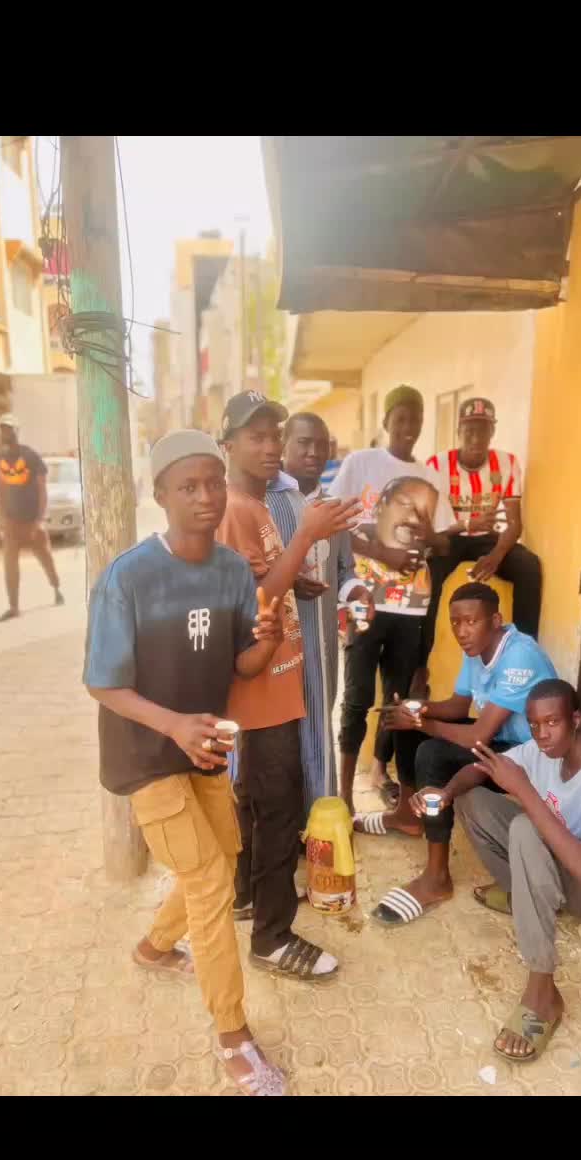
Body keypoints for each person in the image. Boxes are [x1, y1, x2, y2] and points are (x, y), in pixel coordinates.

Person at [83, 428, 288, 1096]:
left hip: (205, 747)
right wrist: (171, 723)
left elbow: (241, 663)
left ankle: (153, 947)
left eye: (213, 482)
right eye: (188, 486)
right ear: (161, 495)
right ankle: (232, 1034)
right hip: (147, 753)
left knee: (222, 854)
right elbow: (102, 683)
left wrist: (267, 641)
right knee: (209, 882)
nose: (205, 496)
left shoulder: (231, 569)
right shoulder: (129, 577)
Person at [216, 390, 361, 981]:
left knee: (257, 800)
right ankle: (273, 938)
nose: (271, 446)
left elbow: (257, 582)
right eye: (257, 436)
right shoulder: (234, 508)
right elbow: (251, 601)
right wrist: (305, 536)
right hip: (260, 691)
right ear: (228, 444)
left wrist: (294, 579)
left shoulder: (253, 506)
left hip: (275, 683)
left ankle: (249, 897)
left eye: (275, 434)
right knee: (277, 808)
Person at [454, 679, 581, 1062]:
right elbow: (482, 769)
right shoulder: (543, 750)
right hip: (569, 872)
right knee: (473, 802)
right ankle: (528, 898)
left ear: (576, 720)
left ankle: (543, 992)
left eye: (552, 723)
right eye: (534, 725)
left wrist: (524, 790)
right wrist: (445, 793)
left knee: (526, 827)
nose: (541, 734)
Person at [369, 581, 556, 926]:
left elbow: (478, 736)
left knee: (432, 754)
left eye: (471, 621)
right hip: (498, 740)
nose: (462, 632)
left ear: (495, 620)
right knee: (407, 729)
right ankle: (409, 816)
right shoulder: (477, 650)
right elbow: (458, 706)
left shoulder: (519, 656)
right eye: (455, 622)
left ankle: (437, 877)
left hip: (528, 757)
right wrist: (416, 709)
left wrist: (422, 723)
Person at [329, 385, 454, 813]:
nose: (408, 426)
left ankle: (404, 804)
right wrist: (383, 553)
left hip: (411, 607)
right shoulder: (361, 464)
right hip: (366, 601)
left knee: (401, 702)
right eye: (400, 418)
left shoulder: (432, 477)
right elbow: (335, 524)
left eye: (415, 419)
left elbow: (445, 540)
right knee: (357, 699)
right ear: (386, 422)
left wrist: (430, 536)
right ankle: (345, 797)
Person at [266, 412, 372, 808]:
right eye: (303, 443)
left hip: (323, 645)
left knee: (318, 726)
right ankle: (286, 819)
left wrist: (356, 591)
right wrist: (291, 581)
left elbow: (344, 570)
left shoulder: (334, 508)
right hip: (278, 645)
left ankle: (319, 818)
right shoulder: (266, 502)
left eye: (321, 444)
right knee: (281, 734)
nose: (313, 452)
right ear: (285, 446)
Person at [420, 397, 542, 676]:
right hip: (449, 536)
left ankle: (522, 659)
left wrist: (496, 556)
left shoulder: (507, 463)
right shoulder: (437, 465)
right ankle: (419, 665)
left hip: (488, 538)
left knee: (529, 567)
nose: (476, 438)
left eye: (483, 431)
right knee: (427, 575)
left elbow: (514, 524)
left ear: (492, 432)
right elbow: (430, 526)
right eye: (469, 431)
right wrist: (467, 523)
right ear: (458, 432)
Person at [0, 412, 64, 622]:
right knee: (10, 565)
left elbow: (42, 489)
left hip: (32, 521)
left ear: (17, 431)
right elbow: (1, 488)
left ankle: (56, 588)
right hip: (11, 521)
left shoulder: (30, 456)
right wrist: (1, 518)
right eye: (2, 429)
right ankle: (13, 606)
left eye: (9, 428)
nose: (5, 432)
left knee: (45, 558)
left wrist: (39, 520)